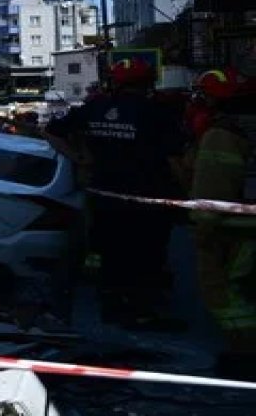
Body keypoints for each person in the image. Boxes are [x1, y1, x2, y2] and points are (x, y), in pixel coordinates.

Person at [43, 59, 190, 330]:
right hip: (148, 200)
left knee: (110, 251)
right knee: (147, 254)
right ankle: (140, 310)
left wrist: (79, 158)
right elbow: (174, 160)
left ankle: (112, 305)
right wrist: (188, 196)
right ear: (148, 82)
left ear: (115, 81)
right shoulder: (157, 113)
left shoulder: (94, 108)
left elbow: (52, 133)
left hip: (103, 197)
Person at [188, 69, 256, 378]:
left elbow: (212, 192)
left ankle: (245, 352)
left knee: (226, 291)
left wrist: (204, 228)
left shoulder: (222, 134)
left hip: (235, 229)